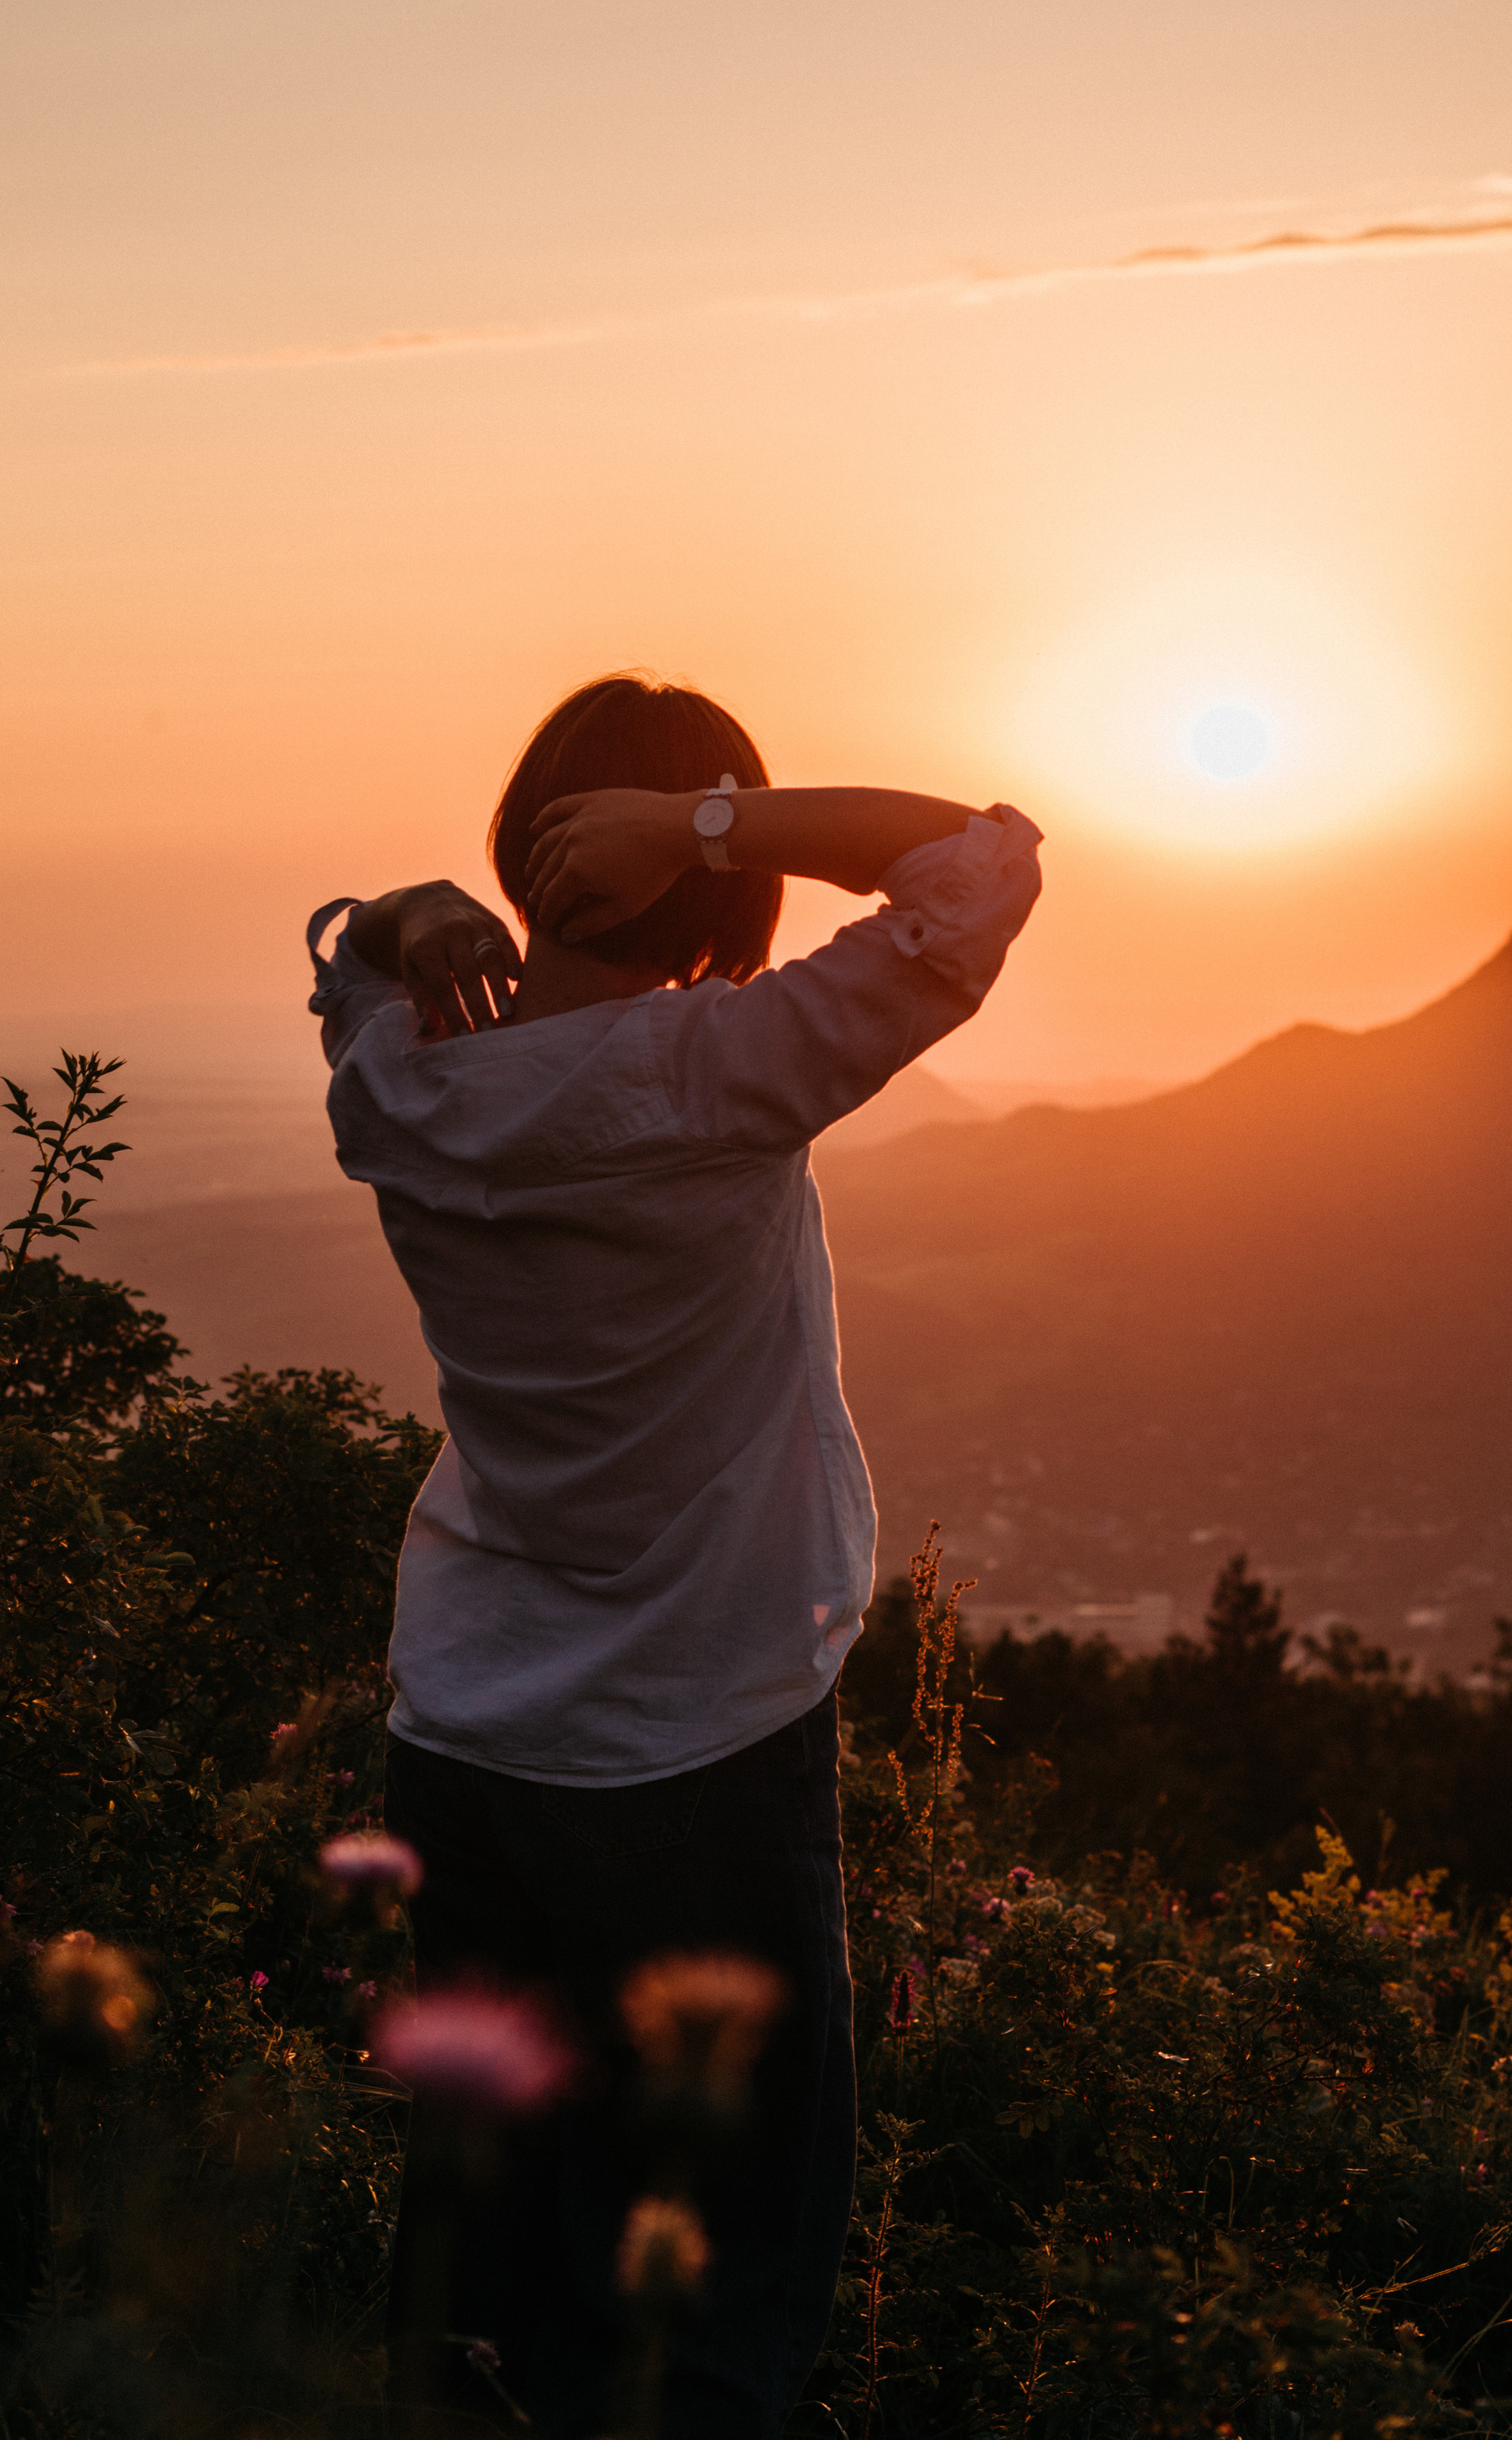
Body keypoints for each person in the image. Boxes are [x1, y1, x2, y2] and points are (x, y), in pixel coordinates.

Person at [305, 673, 1041, 2439]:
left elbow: (346, 965)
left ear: (521, 846)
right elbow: (976, 868)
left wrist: (407, 917)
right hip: (694, 1746)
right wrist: (708, 825)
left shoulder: (399, 1081)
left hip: (465, 1739)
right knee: (709, 2282)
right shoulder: (720, 1070)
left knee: (487, 2266)